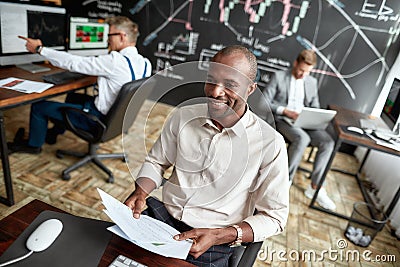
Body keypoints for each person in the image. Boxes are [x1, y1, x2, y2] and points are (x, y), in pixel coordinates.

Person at [124, 45, 289, 266]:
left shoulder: (270, 144)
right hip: (161, 220)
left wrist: (222, 235)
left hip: (212, 241)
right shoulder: (183, 116)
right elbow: (156, 162)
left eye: (230, 84)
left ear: (250, 89)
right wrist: (141, 192)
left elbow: (274, 218)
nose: (215, 91)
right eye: (211, 80)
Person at [8, 16, 151, 154]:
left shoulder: (115, 61)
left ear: (121, 36)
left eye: (110, 36)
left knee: (39, 107)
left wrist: (40, 49)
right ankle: (54, 133)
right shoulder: (145, 64)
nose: (108, 40)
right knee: (73, 97)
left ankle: (33, 146)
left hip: (96, 121)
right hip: (118, 120)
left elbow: (74, 62)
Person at [263, 49, 336, 211]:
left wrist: (312, 115)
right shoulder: (280, 77)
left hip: (305, 121)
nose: (303, 75)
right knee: (302, 139)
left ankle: (316, 186)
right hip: (283, 120)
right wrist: (285, 111)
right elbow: (265, 102)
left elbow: (315, 106)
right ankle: (284, 183)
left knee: (328, 142)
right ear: (295, 63)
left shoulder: (311, 82)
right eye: (301, 70)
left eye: (308, 72)